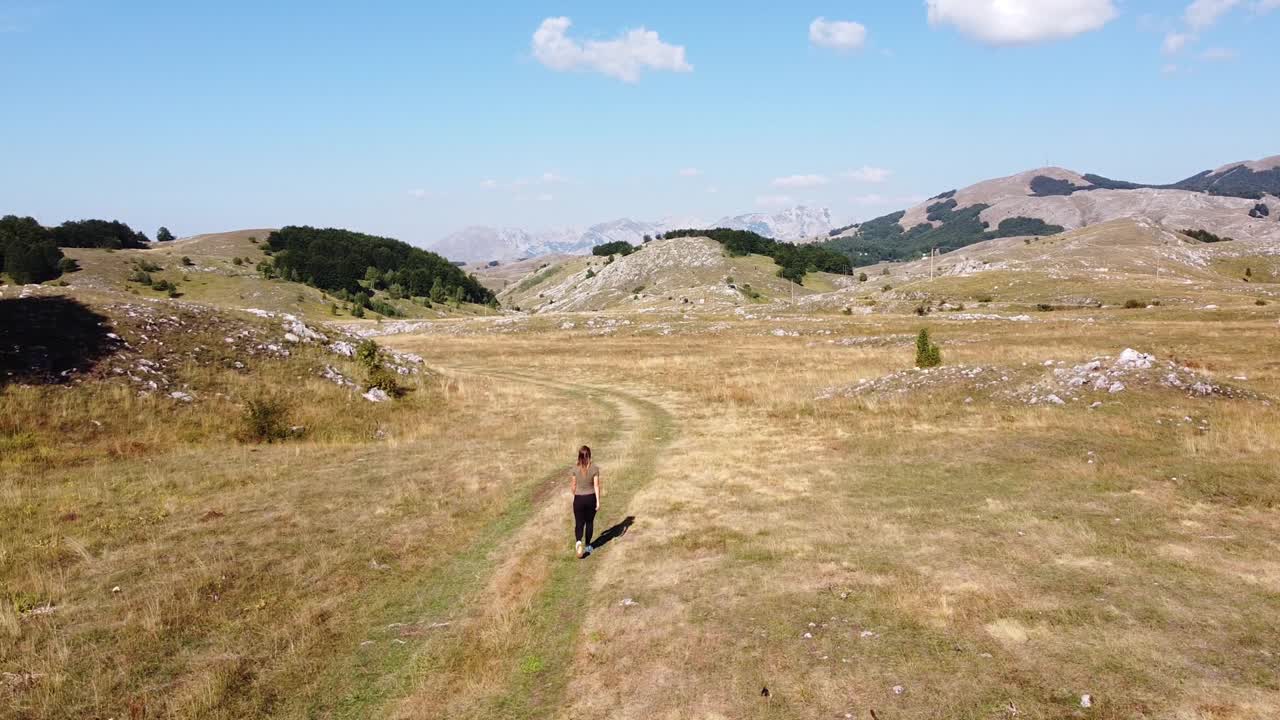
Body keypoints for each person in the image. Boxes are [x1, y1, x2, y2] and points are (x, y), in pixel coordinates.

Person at [570, 445, 601, 559]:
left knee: (579, 523)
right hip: (591, 498)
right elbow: (596, 486)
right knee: (589, 523)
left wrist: (576, 495)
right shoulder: (594, 468)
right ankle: (588, 545)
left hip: (579, 499)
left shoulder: (574, 469)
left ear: (579, 456)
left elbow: (573, 486)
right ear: (589, 455)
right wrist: (598, 501)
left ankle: (578, 542)